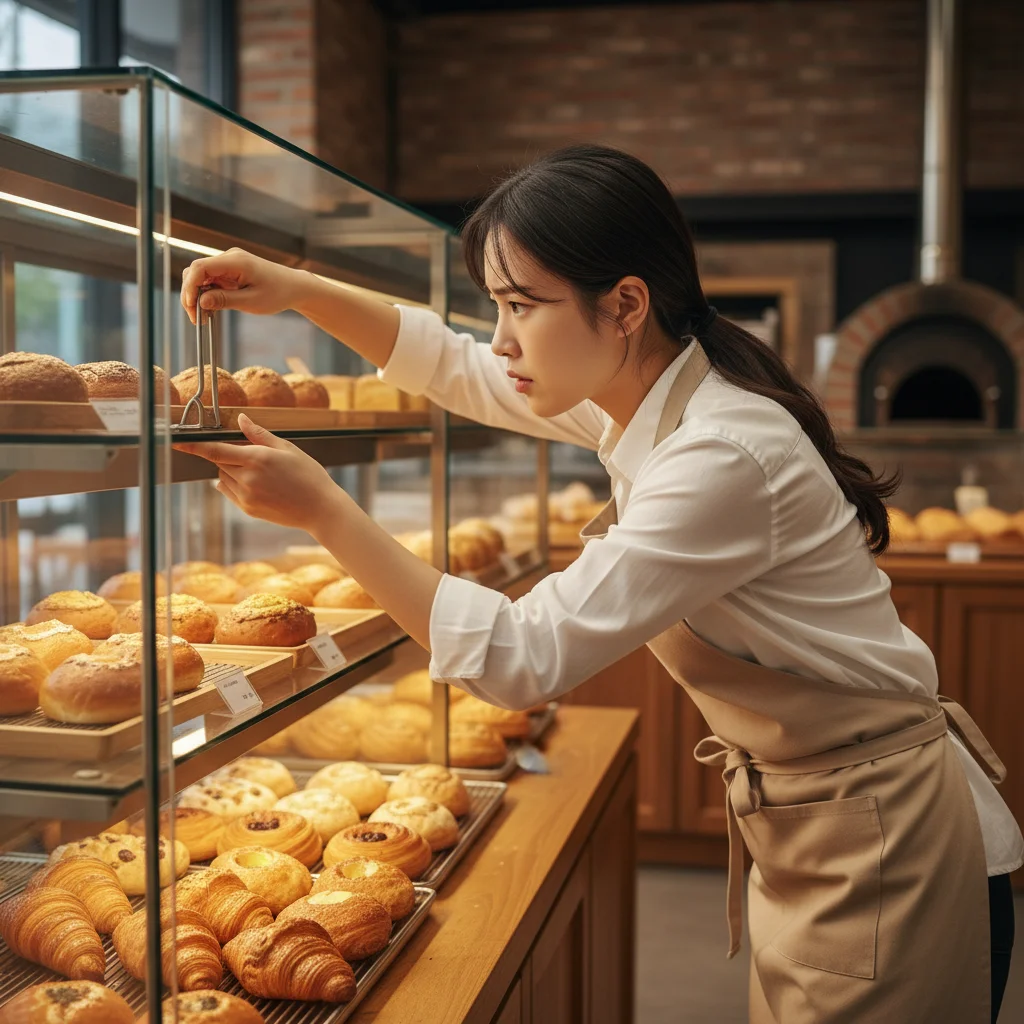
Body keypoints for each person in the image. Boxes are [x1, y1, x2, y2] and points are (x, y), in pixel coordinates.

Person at [178, 144, 1019, 1023]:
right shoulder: (654, 391)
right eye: (495, 306)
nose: (501, 337)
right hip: (829, 826)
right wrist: (298, 288)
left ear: (624, 305)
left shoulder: (721, 452)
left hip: (890, 845)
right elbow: (456, 366)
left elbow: (520, 656)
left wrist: (325, 512)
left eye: (520, 306)